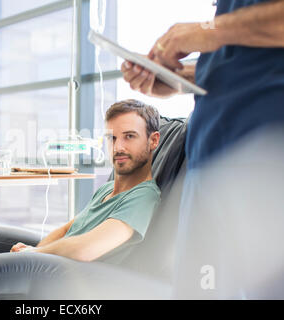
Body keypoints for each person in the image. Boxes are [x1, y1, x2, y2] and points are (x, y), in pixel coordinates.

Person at [121, 0, 284, 298]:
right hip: (208, 162)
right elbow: (242, 62)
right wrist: (171, 79)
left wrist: (207, 31)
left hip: (268, 158)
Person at [9, 99, 161, 262]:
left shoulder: (144, 197)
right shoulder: (106, 189)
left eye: (129, 136)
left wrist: (34, 254)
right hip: (46, 267)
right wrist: (33, 252)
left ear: (153, 140)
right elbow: (67, 229)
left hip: (69, 279)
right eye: (112, 138)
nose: (117, 148)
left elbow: (85, 250)